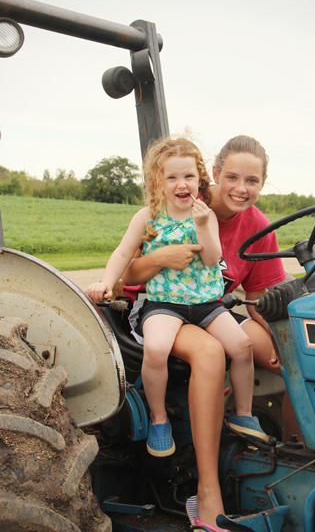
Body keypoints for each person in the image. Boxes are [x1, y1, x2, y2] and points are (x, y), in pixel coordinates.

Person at [122, 135, 300, 530]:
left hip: (209, 309)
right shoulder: (180, 202)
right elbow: (124, 276)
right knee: (210, 353)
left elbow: (257, 298)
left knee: (295, 357)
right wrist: (157, 258)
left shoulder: (257, 223)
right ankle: (206, 491)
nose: (240, 189)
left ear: (263, 183)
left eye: (251, 181)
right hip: (162, 309)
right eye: (231, 178)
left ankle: (295, 457)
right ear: (214, 175)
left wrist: (279, 345)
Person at [88, 137, 269, 459]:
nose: (181, 184)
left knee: (243, 346)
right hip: (164, 304)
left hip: (205, 304)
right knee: (156, 349)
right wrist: (106, 281)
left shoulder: (205, 215)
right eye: (171, 177)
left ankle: (243, 413)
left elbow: (213, 259)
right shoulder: (148, 217)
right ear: (159, 182)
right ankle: (159, 421)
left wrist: (202, 225)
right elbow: (124, 252)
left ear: (200, 179)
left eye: (188, 176)